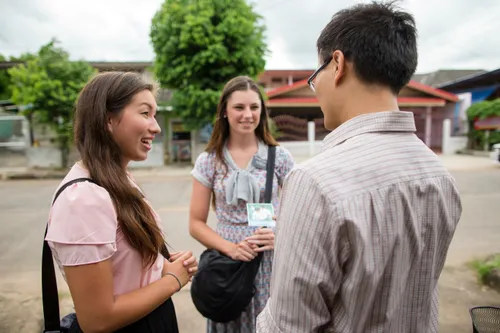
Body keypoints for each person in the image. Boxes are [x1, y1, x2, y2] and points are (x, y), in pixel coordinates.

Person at [257, 2, 462, 333]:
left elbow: (288, 326)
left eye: (314, 76)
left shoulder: (315, 182)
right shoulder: (439, 175)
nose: (316, 89)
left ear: (337, 64)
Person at [45, 71, 198, 333]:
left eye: (155, 114)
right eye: (145, 113)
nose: (156, 126)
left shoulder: (118, 179)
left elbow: (124, 271)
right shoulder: (83, 198)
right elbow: (97, 319)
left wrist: (160, 265)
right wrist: (173, 279)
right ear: (108, 120)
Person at [189, 75, 295, 333]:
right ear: (225, 111)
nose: (247, 114)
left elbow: (300, 212)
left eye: (254, 107)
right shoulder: (209, 161)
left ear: (262, 111)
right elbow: (195, 223)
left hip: (269, 261)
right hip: (228, 263)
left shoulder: (278, 157)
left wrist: (279, 235)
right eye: (239, 107)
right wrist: (232, 249)